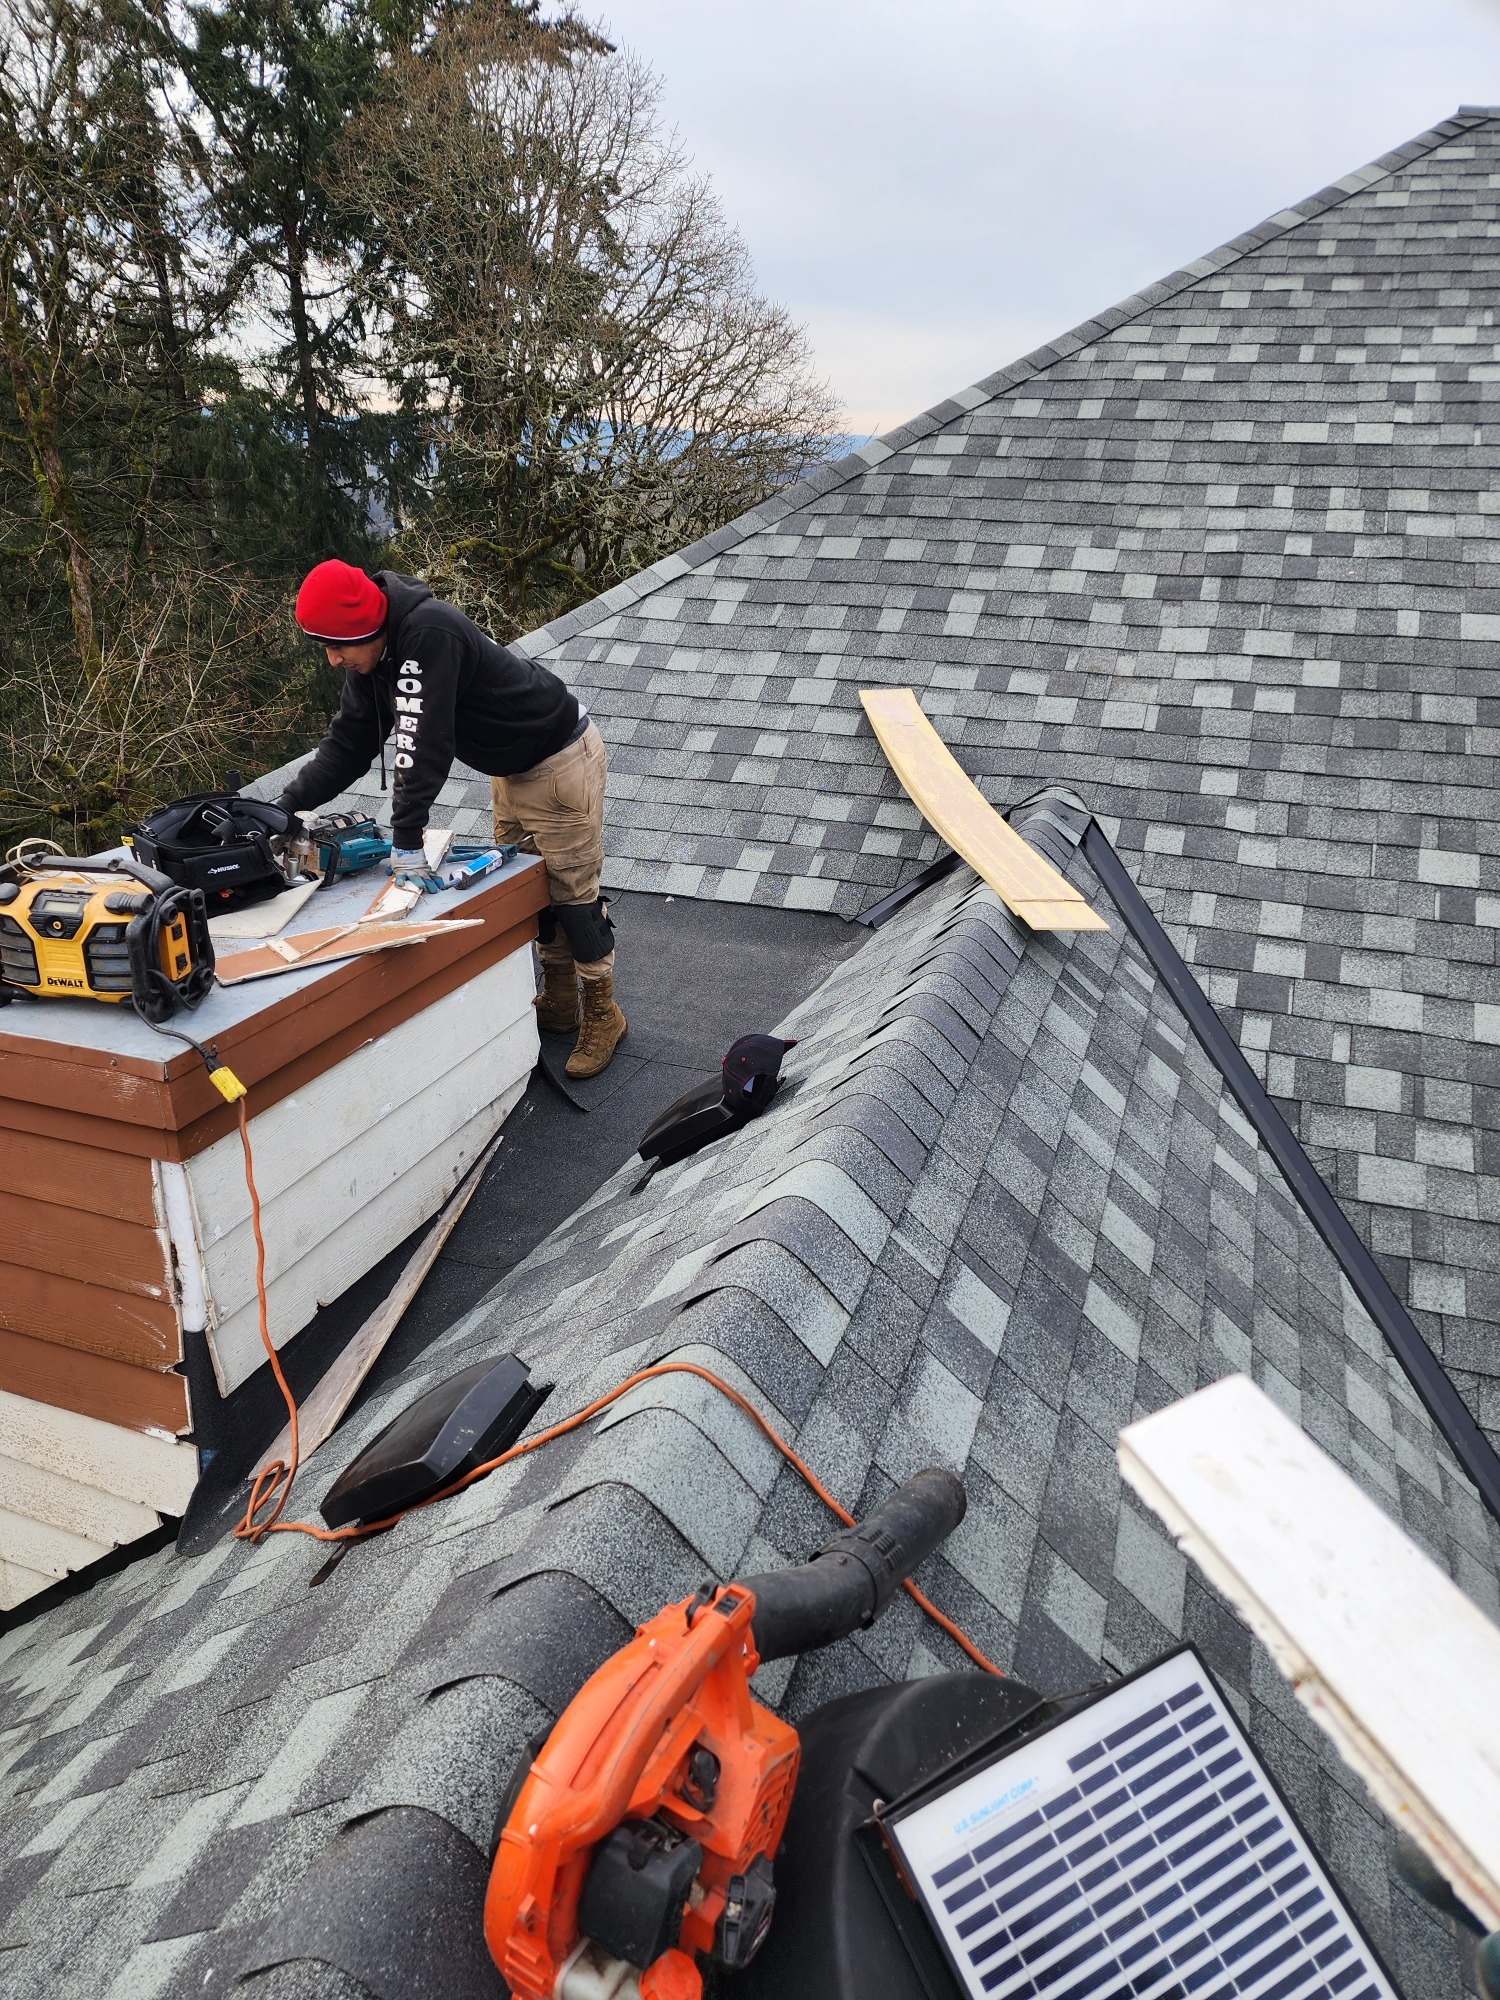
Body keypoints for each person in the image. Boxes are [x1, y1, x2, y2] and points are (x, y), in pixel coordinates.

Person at [279, 559, 626, 1078]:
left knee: (572, 894)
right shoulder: (374, 658)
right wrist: (284, 807)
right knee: (533, 887)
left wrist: (406, 839)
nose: (333, 659)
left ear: (367, 627)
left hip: (558, 760)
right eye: (324, 647)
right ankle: (560, 1000)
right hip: (511, 769)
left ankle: (603, 1012)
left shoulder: (429, 634)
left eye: (338, 646)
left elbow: (424, 744)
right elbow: (348, 744)